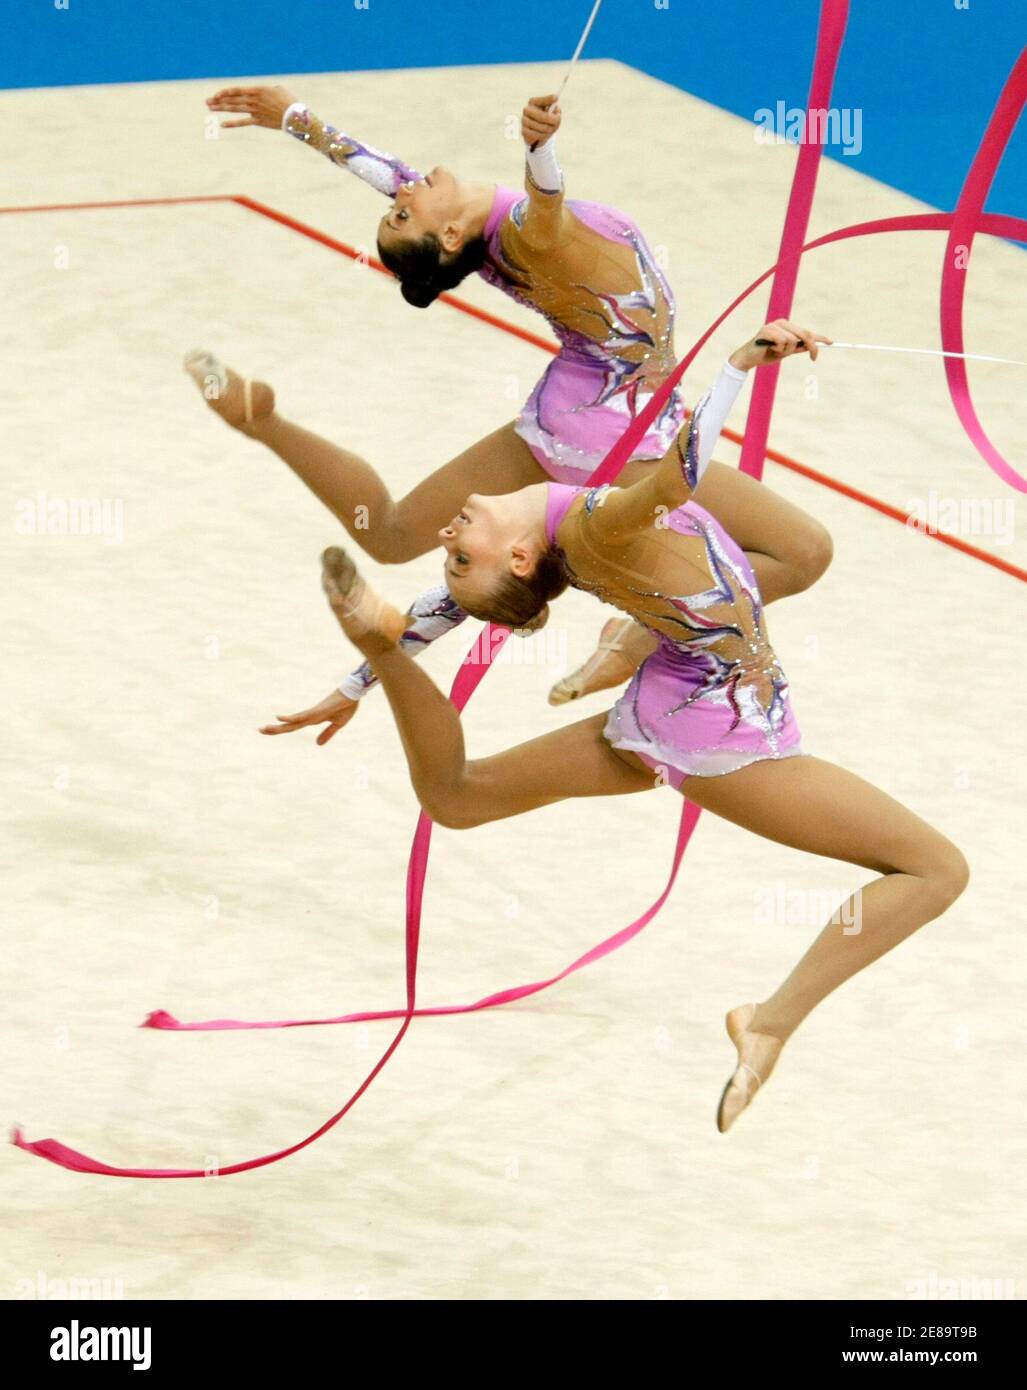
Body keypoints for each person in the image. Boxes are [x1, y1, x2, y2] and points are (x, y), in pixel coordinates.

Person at [311, 318, 968, 1131]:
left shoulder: (552, 531)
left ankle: (614, 649)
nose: (445, 537)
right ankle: (769, 1021)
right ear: (516, 561)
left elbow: (445, 607)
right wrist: (737, 366)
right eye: (459, 552)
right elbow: (674, 480)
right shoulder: (584, 525)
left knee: (459, 795)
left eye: (450, 550)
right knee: (934, 871)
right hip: (717, 724)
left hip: (676, 693)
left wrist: (358, 676)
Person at [193, 84, 832, 737]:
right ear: (445, 234)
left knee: (387, 532)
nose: (402, 193)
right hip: (621, 445)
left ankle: (262, 422)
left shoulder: (467, 229)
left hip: (556, 423)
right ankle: (637, 637)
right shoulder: (523, 236)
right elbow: (547, 208)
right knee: (802, 552)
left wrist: (294, 119)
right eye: (401, 213)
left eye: (396, 210)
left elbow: (383, 172)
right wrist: (539, 146)